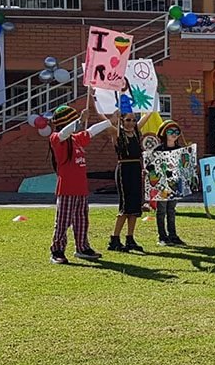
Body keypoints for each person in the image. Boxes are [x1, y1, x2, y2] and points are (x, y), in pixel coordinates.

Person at [48, 103, 111, 264]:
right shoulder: (56, 139)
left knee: (82, 220)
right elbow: (63, 133)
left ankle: (82, 247)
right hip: (67, 189)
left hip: (81, 189)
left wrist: (110, 121)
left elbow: (90, 132)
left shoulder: (76, 139)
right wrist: (78, 122)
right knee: (63, 221)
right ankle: (57, 250)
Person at [105, 108, 152, 253]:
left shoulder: (137, 132)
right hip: (124, 169)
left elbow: (147, 115)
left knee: (135, 207)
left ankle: (130, 238)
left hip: (136, 169)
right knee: (125, 206)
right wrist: (113, 116)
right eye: (128, 120)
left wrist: (153, 97)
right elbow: (106, 124)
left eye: (133, 120)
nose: (131, 123)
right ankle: (114, 239)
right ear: (122, 121)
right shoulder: (117, 133)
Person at [150, 120, 187, 246]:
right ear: (164, 133)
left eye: (177, 132)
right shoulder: (158, 149)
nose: (174, 134)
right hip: (162, 185)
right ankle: (162, 236)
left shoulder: (180, 149)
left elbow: (184, 166)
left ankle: (173, 235)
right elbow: (152, 167)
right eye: (171, 131)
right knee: (161, 210)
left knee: (171, 209)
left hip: (175, 184)